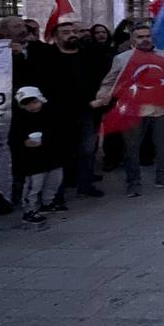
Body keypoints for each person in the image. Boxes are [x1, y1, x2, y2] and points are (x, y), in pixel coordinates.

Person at [92, 22, 164, 197]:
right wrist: (101, 98)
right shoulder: (122, 58)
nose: (144, 40)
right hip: (132, 109)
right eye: (140, 37)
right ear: (132, 39)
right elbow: (110, 81)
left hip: (162, 109)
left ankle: (163, 176)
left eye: (147, 36)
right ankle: (133, 182)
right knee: (131, 147)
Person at [25, 19, 110, 202]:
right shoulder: (47, 57)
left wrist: (100, 98)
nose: (72, 35)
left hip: (86, 112)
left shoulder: (88, 56)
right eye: (65, 32)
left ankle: (85, 185)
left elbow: (100, 78)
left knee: (87, 150)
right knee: (60, 152)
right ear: (55, 38)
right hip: (58, 113)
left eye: (74, 31)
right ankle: (57, 192)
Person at [10, 86, 66, 225]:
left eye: (34, 102)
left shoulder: (51, 113)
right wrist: (24, 142)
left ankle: (48, 202)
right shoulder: (19, 119)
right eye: (27, 104)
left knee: (54, 181)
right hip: (32, 160)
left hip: (52, 155)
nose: (32, 106)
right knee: (34, 186)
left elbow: (60, 130)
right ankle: (29, 210)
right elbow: (13, 138)